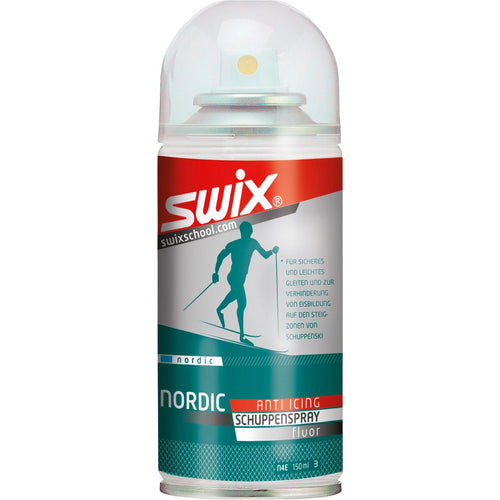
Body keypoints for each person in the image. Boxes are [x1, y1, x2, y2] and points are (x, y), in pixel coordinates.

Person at [212, 222, 279, 346]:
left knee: (234, 295)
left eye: (249, 231)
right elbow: (220, 256)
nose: (248, 233)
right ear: (245, 232)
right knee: (242, 303)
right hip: (234, 278)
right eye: (247, 231)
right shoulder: (237, 244)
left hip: (238, 278)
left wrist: (272, 251)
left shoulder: (252, 243)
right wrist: (215, 273)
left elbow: (265, 255)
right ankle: (242, 336)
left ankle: (219, 309)